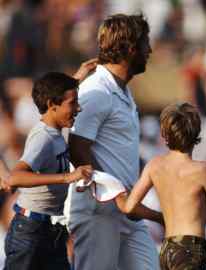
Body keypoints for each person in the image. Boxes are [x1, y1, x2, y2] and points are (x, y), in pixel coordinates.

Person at [67, 13, 159, 270]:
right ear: (130, 49)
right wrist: (110, 190)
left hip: (127, 211)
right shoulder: (96, 90)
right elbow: (76, 148)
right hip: (98, 211)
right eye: (145, 45)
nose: (149, 50)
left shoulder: (122, 90)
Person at [116, 102, 206, 270]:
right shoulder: (201, 170)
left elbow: (129, 207)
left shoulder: (154, 166)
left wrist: (156, 216)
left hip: (167, 248)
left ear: (164, 135)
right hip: (191, 249)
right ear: (196, 134)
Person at [3, 72, 93, 270]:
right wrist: (67, 177)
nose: (78, 108)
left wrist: (80, 75)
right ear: (52, 105)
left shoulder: (57, 131)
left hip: (50, 230)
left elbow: (55, 89)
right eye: (73, 103)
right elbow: (15, 176)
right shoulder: (43, 137)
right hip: (30, 230)